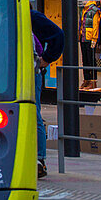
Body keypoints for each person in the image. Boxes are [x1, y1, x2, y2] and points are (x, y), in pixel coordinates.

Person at [30, 10, 63, 178]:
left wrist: (46, 59)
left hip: (32, 72)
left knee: (34, 115)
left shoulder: (31, 17)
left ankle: (39, 160)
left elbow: (59, 35)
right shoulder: (10, 16)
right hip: (21, 73)